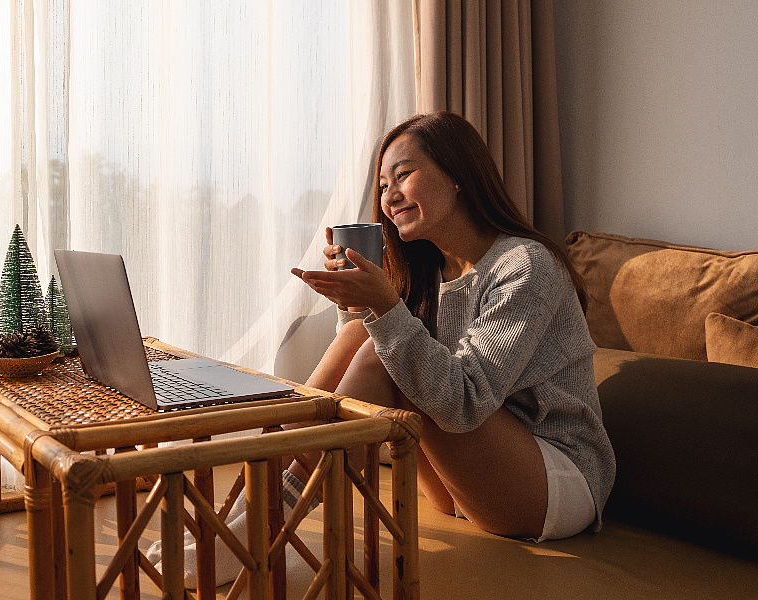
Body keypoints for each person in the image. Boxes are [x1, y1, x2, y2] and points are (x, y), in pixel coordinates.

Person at [150, 110, 615, 589]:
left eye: (404, 175)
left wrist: (384, 308)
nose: (389, 195)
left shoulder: (526, 266)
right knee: (362, 337)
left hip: (553, 483)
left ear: (458, 176)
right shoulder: (431, 273)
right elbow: (413, 370)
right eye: (382, 184)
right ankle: (240, 517)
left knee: (380, 350)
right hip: (467, 480)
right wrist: (355, 302)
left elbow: (465, 401)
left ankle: (260, 529)